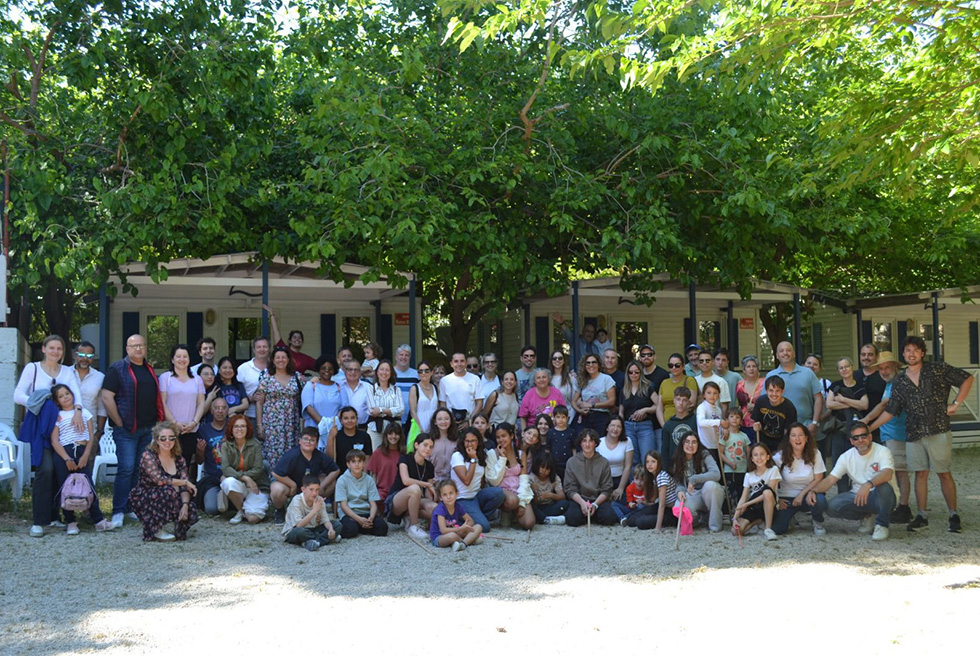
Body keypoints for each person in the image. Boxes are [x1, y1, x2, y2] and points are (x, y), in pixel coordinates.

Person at [869, 336, 973, 533]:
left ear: (923, 352)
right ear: (903, 354)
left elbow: (967, 378)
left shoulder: (937, 369)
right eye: (908, 350)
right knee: (920, 474)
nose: (912, 353)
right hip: (914, 434)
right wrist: (869, 428)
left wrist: (956, 403)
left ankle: (953, 515)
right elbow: (891, 410)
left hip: (938, 429)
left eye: (916, 350)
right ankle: (921, 516)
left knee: (944, 473)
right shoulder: (900, 381)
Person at [15, 334, 85, 537]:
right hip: (42, 429)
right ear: (44, 349)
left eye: (59, 348)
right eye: (52, 348)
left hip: (64, 430)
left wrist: (78, 410)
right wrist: (40, 403)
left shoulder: (67, 371)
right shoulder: (33, 368)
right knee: (45, 470)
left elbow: (76, 394)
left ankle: (55, 516)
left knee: (58, 470)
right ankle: (38, 521)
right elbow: (18, 395)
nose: (56, 351)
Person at [102, 334, 164, 530]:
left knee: (138, 469)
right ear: (127, 349)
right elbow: (106, 396)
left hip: (147, 428)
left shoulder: (148, 369)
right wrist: (119, 422)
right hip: (126, 430)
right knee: (126, 469)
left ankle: (131, 507)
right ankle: (118, 510)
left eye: (141, 345)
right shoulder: (117, 369)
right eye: (134, 346)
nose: (138, 349)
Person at [811, 422, 896, 541]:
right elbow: (831, 479)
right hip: (858, 496)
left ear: (870, 437)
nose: (860, 440)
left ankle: (882, 525)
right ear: (851, 441)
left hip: (881, 497)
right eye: (856, 438)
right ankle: (867, 516)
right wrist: (813, 490)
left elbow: (887, 473)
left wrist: (868, 484)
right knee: (832, 506)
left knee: (884, 486)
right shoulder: (846, 457)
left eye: (863, 436)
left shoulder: (882, 451)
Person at [49, 384, 113, 534]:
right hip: (64, 453)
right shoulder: (57, 416)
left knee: (88, 485)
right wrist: (66, 459)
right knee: (65, 487)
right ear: (57, 401)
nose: (65, 397)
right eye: (61, 396)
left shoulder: (84, 412)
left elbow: (90, 437)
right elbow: (55, 441)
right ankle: (70, 522)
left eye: (67, 393)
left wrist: (85, 456)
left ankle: (98, 520)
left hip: (82, 451)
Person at [863, 351, 913, 524]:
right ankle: (898, 505)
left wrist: (867, 424)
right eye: (881, 369)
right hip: (890, 434)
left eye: (887, 368)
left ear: (895, 367)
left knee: (900, 472)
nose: (884, 371)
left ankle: (904, 508)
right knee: (894, 471)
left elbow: (885, 407)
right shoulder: (890, 384)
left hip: (898, 434)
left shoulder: (898, 384)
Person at [129, 421, 199, 541]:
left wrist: (185, 505)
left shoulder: (179, 459)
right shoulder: (148, 455)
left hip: (170, 493)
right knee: (167, 491)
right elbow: (160, 480)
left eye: (171, 438)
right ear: (156, 440)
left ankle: (178, 526)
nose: (167, 441)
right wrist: (185, 482)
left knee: (191, 508)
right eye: (163, 438)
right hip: (146, 495)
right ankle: (156, 528)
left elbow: (184, 486)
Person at [270, 427, 340, 524]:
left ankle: (312, 508)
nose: (308, 442)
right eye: (306, 439)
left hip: (309, 487)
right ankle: (280, 510)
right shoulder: (292, 455)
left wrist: (322, 486)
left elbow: (335, 470)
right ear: (299, 441)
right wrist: (292, 485)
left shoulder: (319, 456)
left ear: (316, 444)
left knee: (331, 482)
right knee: (277, 489)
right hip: (291, 487)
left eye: (312, 440)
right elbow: (275, 473)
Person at [159, 344, 207, 479]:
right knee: (169, 468)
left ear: (189, 359)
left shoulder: (197, 380)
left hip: (190, 430)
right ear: (172, 359)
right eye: (178, 356)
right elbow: (162, 402)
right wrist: (174, 423)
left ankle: (186, 492)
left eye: (185, 356)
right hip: (170, 430)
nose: (182, 359)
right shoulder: (165, 378)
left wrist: (194, 422)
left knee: (186, 468)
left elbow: (201, 403)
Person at [772, 422, 828, 536]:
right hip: (786, 497)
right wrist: (776, 499)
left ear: (806, 438)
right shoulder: (779, 457)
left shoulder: (815, 453)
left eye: (800, 435)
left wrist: (801, 495)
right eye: (793, 435)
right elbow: (769, 479)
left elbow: (819, 478)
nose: (797, 438)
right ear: (789, 439)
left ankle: (817, 520)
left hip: (808, 495)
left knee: (820, 501)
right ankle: (790, 516)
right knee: (777, 529)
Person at [256, 346, 304, 467]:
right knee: (272, 454)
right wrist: (259, 425)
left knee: (292, 454)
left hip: (291, 424)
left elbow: (308, 393)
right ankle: (273, 477)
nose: (280, 360)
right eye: (277, 357)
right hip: (272, 425)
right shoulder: (266, 378)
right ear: (273, 360)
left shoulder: (297, 377)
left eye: (283, 357)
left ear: (288, 359)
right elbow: (259, 402)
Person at [450, 428, 505, 532]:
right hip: (462, 498)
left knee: (498, 493)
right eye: (467, 441)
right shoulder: (457, 456)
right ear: (463, 442)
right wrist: (473, 459)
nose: (470, 444)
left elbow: (481, 481)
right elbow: (466, 481)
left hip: (475, 496)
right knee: (485, 527)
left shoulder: (481, 455)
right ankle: (458, 519)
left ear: (478, 442)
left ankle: (477, 517)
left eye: (473, 441)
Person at [826, 356, 868, 492]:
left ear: (852, 367)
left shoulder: (860, 386)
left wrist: (843, 400)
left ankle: (858, 494)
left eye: (846, 366)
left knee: (858, 461)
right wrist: (854, 404)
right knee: (838, 462)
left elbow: (864, 405)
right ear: (838, 371)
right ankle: (842, 494)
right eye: (841, 368)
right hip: (838, 429)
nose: (844, 369)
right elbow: (829, 404)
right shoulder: (835, 385)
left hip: (856, 431)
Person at [385, 433, 438, 540]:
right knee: (415, 488)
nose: (428, 449)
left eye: (431, 447)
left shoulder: (429, 466)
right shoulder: (405, 459)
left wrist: (434, 497)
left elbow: (427, 493)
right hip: (397, 500)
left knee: (435, 508)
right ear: (416, 445)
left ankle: (409, 517)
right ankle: (414, 526)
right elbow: (406, 480)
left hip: (416, 499)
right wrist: (427, 484)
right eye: (425, 445)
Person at [766, 341, 823, 439]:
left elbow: (818, 398)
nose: (785, 353)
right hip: (779, 429)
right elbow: (766, 402)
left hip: (805, 426)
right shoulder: (771, 375)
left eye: (788, 350)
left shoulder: (808, 373)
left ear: (794, 354)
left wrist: (814, 422)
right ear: (777, 355)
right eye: (781, 351)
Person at [219, 415, 270, 524]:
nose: (239, 429)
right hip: (239, 483)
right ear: (231, 429)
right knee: (228, 481)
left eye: (243, 426)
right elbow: (225, 468)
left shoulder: (255, 444)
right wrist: (245, 478)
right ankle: (241, 510)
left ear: (248, 429)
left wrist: (248, 479)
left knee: (252, 519)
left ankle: (248, 506)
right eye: (236, 426)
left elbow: (258, 468)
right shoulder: (225, 446)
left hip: (257, 485)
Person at [671, 431, 724, 532]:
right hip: (693, 493)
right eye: (687, 442)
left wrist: (694, 478)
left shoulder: (704, 454)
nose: (690, 445)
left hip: (709, 493)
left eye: (694, 442)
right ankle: (698, 520)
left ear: (698, 444)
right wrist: (680, 491)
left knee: (710, 485)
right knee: (679, 506)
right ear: (682, 443)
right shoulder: (678, 459)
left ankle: (715, 526)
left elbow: (716, 474)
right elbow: (679, 482)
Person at [563, 428, 617, 527]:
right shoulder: (571, 462)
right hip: (579, 499)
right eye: (584, 441)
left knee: (609, 518)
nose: (587, 444)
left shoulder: (603, 462)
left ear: (595, 443)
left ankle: (591, 513)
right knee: (572, 519)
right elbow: (570, 488)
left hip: (597, 500)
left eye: (591, 441)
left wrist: (595, 505)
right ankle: (586, 514)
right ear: (580, 443)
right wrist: (582, 503)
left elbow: (607, 488)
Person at [488, 423, 536, 530]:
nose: (501, 440)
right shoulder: (491, 454)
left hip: (518, 489)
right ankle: (505, 511)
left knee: (529, 523)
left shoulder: (520, 453)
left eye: (504, 436)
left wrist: (522, 502)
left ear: (511, 436)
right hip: (501, 490)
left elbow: (524, 478)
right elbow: (494, 481)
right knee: (512, 501)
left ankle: (515, 512)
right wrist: (502, 459)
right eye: (498, 437)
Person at [732, 443, 781, 541]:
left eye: (762, 454)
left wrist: (747, 503)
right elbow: (743, 498)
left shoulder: (773, 470)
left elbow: (769, 493)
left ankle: (768, 529)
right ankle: (757, 521)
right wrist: (734, 518)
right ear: (752, 459)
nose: (759, 457)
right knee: (735, 531)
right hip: (754, 507)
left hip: (769, 505)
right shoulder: (748, 475)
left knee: (767, 492)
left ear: (768, 457)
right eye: (755, 455)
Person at [336, 449, 388, 538]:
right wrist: (359, 519)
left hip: (365, 512)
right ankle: (360, 526)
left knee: (382, 528)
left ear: (364, 463)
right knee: (350, 529)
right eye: (353, 462)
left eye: (359, 461)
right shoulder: (342, 480)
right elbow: (343, 505)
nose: (357, 464)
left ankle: (363, 526)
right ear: (348, 464)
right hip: (350, 513)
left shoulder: (369, 480)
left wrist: (371, 518)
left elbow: (373, 503)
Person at [282, 475, 341, 551]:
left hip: (313, 529)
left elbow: (325, 521)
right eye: (311, 489)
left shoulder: (319, 500)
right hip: (296, 530)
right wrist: (314, 510)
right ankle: (322, 540)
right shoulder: (297, 501)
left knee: (337, 525)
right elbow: (299, 525)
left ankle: (310, 542)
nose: (314, 493)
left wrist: (331, 529)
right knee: (299, 532)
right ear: (303, 489)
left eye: (317, 490)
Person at [301, 355, 345, 449]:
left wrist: (332, 425)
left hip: (334, 430)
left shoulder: (339, 387)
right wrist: (324, 424)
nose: (327, 371)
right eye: (323, 368)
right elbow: (308, 407)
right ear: (318, 369)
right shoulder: (310, 386)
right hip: (313, 430)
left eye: (330, 369)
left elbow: (344, 408)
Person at [626, 451, 677, 531]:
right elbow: (654, 501)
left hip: (671, 511)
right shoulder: (653, 477)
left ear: (658, 463)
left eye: (653, 462)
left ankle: (663, 523)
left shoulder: (662, 477)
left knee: (640, 522)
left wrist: (657, 528)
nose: (649, 464)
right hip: (659, 506)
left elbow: (662, 504)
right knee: (631, 520)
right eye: (647, 462)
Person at [196, 396, 228, 515]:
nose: (220, 411)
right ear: (211, 410)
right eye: (217, 408)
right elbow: (199, 461)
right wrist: (200, 451)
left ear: (227, 410)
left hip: (231, 477)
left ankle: (227, 498)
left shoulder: (233, 427)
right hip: (212, 478)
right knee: (211, 509)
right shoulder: (203, 430)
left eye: (223, 408)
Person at [69, 341, 107, 443]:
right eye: (81, 355)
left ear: (94, 357)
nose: (85, 359)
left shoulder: (100, 377)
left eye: (89, 356)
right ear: (75, 355)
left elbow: (102, 407)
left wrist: (99, 433)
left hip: (90, 432)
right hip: (65, 431)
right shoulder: (65, 373)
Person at [430, 479, 483, 551]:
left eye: (451, 493)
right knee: (452, 536)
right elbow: (443, 530)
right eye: (445, 494)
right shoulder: (440, 510)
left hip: (455, 531)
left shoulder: (457, 506)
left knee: (478, 527)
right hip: (440, 537)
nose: (448, 497)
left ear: (456, 493)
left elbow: (470, 521)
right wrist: (460, 528)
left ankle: (463, 544)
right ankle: (470, 540)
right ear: (440, 497)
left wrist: (465, 527)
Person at [264, 304, 317, 375]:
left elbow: (321, 366)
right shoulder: (284, 349)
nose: (297, 339)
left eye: (299, 338)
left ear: (302, 341)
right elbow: (275, 331)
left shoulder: (306, 359)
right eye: (294, 337)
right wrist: (271, 314)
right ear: (290, 341)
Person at [621, 360, 658, 458]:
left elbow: (658, 405)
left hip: (645, 426)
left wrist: (645, 410)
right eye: (631, 372)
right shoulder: (624, 390)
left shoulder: (647, 387)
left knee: (648, 457)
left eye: (636, 372)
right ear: (627, 373)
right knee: (632, 459)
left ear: (641, 373)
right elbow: (621, 412)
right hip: (628, 426)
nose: (633, 374)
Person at [751, 376, 798, 453]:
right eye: (771, 390)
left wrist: (783, 450)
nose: (774, 394)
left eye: (777, 391)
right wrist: (756, 426)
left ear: (783, 391)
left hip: (780, 444)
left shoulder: (789, 408)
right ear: (766, 391)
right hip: (763, 441)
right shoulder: (761, 401)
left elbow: (788, 432)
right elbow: (756, 421)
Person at [439, 352, 484, 429]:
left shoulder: (475, 379)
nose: (459, 364)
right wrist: (448, 420)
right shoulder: (444, 381)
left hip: (470, 424)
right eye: (456, 361)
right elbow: (443, 404)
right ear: (451, 364)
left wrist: (470, 420)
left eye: (462, 361)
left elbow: (479, 403)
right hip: (450, 424)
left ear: (466, 363)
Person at [366, 359, 404, 450]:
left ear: (391, 373)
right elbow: (372, 411)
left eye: (387, 370)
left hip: (394, 431)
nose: (384, 372)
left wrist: (381, 410)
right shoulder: (370, 389)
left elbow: (401, 409)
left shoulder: (396, 390)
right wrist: (391, 411)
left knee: (393, 454)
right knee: (375, 454)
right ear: (377, 372)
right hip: (375, 429)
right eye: (381, 369)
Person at [573, 354, 616, 434]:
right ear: (584, 366)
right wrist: (580, 411)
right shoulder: (582, 380)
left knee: (600, 441)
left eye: (594, 362)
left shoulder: (606, 379)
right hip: (586, 416)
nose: (591, 365)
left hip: (602, 416)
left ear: (598, 365)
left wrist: (592, 405)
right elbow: (573, 401)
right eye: (588, 363)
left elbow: (612, 401)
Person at [804, 354, 835, 458]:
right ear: (803, 365)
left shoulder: (826, 384)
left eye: (815, 364)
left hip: (821, 428)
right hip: (802, 426)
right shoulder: (799, 382)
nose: (811, 366)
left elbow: (830, 407)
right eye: (809, 363)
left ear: (820, 368)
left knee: (820, 457)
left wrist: (818, 419)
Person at [596, 416, 633, 503]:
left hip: (621, 480)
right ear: (607, 428)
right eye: (612, 425)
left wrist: (620, 488)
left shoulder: (627, 441)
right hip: (603, 481)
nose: (615, 429)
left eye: (619, 426)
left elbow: (628, 466)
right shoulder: (599, 443)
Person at [330, 406, 373, 475]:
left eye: (352, 418)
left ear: (357, 419)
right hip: (341, 475)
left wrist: (364, 477)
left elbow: (367, 459)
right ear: (341, 421)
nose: (349, 421)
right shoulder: (336, 436)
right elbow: (330, 457)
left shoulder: (365, 436)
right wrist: (330, 437)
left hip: (359, 475)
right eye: (346, 418)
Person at [368, 422, 404, 503]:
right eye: (390, 434)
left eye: (396, 434)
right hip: (381, 491)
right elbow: (374, 476)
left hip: (399, 492)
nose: (393, 436)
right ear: (386, 436)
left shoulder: (404, 453)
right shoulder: (378, 452)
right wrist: (373, 493)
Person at [718, 407, 750, 501]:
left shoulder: (744, 436)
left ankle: (740, 508)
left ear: (741, 420)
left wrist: (748, 465)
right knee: (731, 494)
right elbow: (720, 453)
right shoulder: (725, 436)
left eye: (737, 417)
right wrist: (730, 463)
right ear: (727, 419)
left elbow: (748, 452)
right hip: (729, 470)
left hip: (742, 470)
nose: (734, 419)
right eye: (731, 416)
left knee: (741, 493)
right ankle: (731, 508)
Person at [661, 387, 697, 466]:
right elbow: (665, 451)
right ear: (674, 400)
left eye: (684, 400)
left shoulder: (696, 421)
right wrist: (666, 469)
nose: (681, 403)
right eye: (678, 399)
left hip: (693, 464)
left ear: (689, 402)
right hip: (675, 465)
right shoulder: (668, 425)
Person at [529, 453, 569, 524]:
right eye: (542, 467)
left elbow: (562, 497)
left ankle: (543, 518)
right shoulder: (531, 478)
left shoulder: (555, 478)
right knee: (530, 505)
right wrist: (534, 492)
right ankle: (545, 519)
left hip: (550, 505)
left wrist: (551, 495)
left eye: (547, 469)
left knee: (564, 503)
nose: (544, 470)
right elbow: (535, 501)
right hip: (537, 506)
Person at [237, 336, 270, 420]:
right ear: (254, 350)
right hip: (250, 415)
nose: (262, 349)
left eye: (265, 346)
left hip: (272, 415)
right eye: (258, 347)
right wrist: (250, 399)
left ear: (269, 349)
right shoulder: (243, 368)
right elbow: (237, 393)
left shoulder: (275, 367)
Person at [659, 352, 699, 421]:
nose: (674, 368)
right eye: (671, 365)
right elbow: (659, 408)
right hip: (666, 423)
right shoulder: (664, 382)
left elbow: (691, 403)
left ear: (683, 366)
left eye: (677, 365)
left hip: (683, 421)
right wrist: (663, 425)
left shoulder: (689, 380)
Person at [735, 355, 764, 444]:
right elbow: (738, 404)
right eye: (748, 366)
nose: (751, 369)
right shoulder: (739, 385)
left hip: (759, 423)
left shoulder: (763, 383)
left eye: (754, 366)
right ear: (744, 370)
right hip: (743, 422)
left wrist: (756, 407)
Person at [855, 343, 887, 422]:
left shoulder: (883, 376)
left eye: (870, 355)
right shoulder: (853, 376)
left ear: (877, 356)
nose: (866, 357)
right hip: (855, 423)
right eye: (863, 354)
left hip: (878, 424)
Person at [337, 358, 372, 430]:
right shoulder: (337, 386)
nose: (353, 372)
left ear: (360, 372)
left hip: (362, 428)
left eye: (356, 370)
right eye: (350, 369)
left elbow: (372, 409)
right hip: (341, 429)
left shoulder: (368, 387)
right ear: (345, 371)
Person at [408, 361, 440, 439]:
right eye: (420, 371)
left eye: (426, 371)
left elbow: (438, 408)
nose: (423, 373)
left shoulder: (435, 388)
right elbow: (413, 412)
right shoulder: (414, 388)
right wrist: (420, 429)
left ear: (432, 372)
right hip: (419, 427)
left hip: (434, 428)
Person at [694, 349, 731, 414]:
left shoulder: (721, 381)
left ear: (713, 362)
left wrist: (722, 419)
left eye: (707, 361)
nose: (704, 363)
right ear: (698, 363)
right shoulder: (694, 380)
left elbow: (724, 405)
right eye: (701, 361)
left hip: (716, 417)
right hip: (698, 417)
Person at [696, 381, 726, 454]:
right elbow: (701, 422)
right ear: (704, 395)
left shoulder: (718, 409)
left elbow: (719, 427)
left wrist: (724, 430)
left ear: (718, 395)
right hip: (706, 445)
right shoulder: (702, 407)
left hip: (717, 444)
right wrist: (719, 422)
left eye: (715, 393)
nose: (712, 395)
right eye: (709, 393)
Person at [428, 407, 459, 480]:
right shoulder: (429, 440)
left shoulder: (457, 440)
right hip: (433, 479)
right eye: (440, 419)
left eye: (446, 419)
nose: (443, 422)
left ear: (451, 421)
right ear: (435, 422)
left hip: (452, 479)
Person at [546, 405, 575, 478]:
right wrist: (547, 461)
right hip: (554, 463)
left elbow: (573, 448)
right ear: (554, 418)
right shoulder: (551, 432)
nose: (560, 419)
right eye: (558, 417)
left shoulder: (571, 432)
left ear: (567, 418)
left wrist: (574, 460)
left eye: (563, 417)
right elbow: (548, 448)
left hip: (568, 463)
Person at [549, 350, 578, 425]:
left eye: (560, 358)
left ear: (564, 361)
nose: (557, 360)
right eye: (554, 358)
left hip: (568, 417)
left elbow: (575, 400)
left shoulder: (571, 379)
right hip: (550, 417)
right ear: (551, 361)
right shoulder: (547, 379)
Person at [393, 344, 419, 425]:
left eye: (407, 355)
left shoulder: (416, 375)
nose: (404, 357)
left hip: (412, 418)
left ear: (410, 357)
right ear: (396, 357)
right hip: (394, 418)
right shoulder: (390, 373)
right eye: (401, 354)